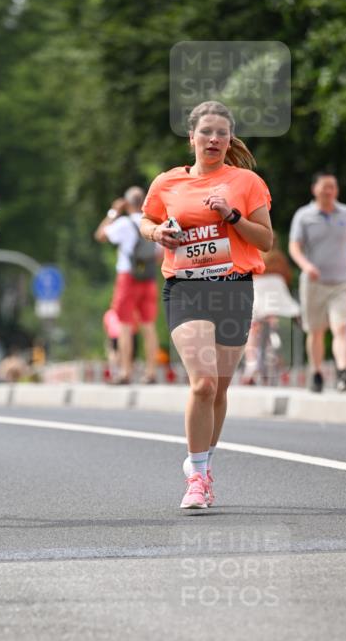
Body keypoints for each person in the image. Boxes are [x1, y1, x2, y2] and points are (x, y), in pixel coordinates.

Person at [139, 100, 273, 509]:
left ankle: (204, 463)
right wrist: (158, 232)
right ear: (191, 136)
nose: (213, 139)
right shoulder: (167, 183)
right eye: (206, 132)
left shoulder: (246, 181)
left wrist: (232, 215)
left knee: (220, 389)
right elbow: (146, 220)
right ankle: (196, 478)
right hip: (187, 289)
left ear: (229, 139)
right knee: (203, 383)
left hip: (233, 288)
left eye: (221, 133)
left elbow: (265, 240)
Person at [288, 172, 346, 393]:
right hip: (314, 283)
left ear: (337, 190)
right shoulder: (304, 215)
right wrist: (305, 265)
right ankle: (317, 372)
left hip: (341, 282)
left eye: (333, 187)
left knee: (341, 327)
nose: (329, 191)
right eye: (324, 187)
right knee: (316, 330)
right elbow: (294, 246)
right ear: (315, 189)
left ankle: (342, 371)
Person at [95, 187, 161, 384]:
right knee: (149, 326)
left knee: (124, 325)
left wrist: (113, 211)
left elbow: (100, 235)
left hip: (127, 277)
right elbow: (160, 254)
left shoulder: (124, 223)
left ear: (127, 203)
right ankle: (150, 372)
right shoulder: (152, 224)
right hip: (148, 278)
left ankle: (125, 372)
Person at [241, 236, 300, 385]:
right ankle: (271, 353)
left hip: (257, 288)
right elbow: (287, 276)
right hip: (275, 289)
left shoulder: (253, 253)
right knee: (271, 325)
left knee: (253, 329)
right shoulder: (279, 258)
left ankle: (252, 364)